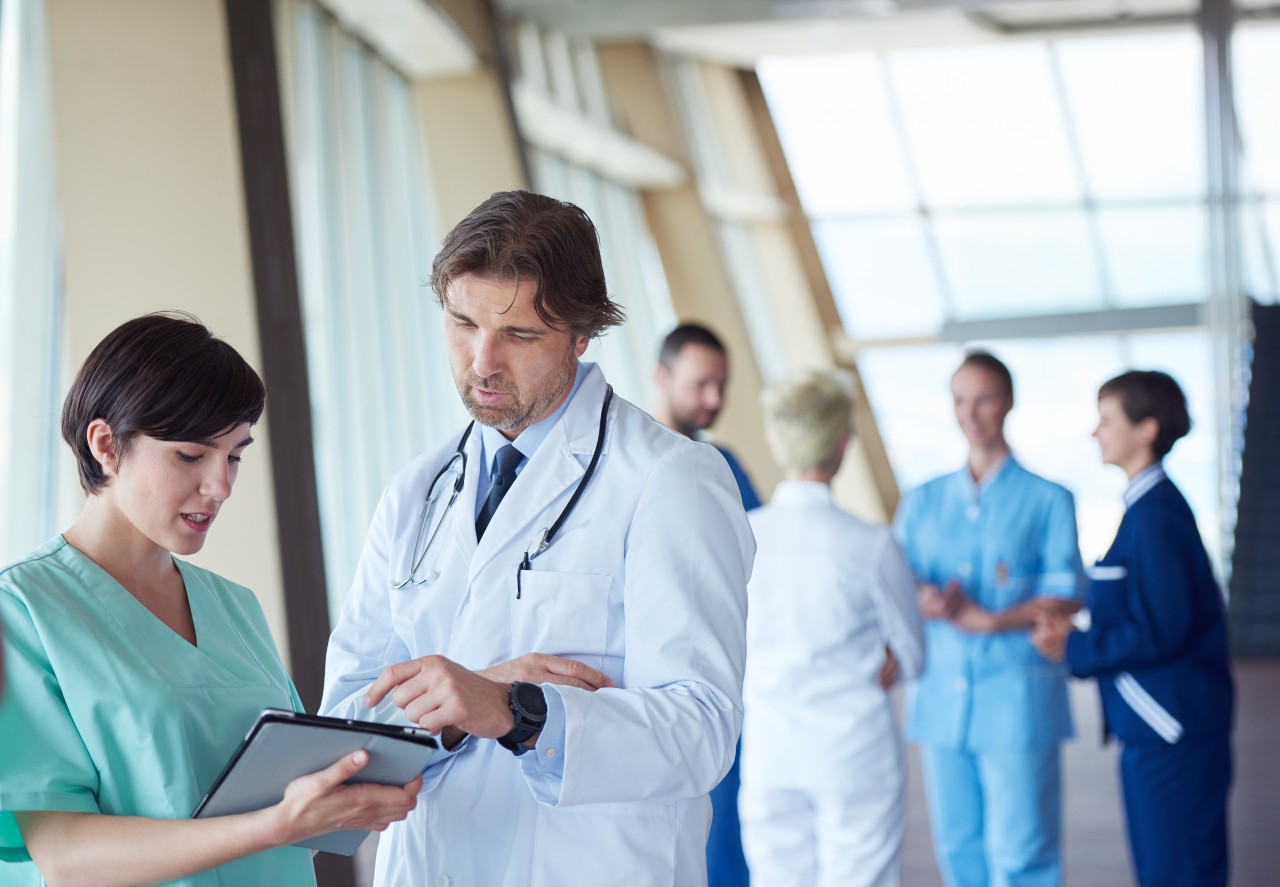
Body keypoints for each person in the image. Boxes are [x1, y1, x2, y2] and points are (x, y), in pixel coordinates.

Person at [321, 190, 755, 887]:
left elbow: (701, 730)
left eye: (519, 335)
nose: (482, 361)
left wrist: (520, 713)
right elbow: (345, 719)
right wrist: (463, 706)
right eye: (461, 322)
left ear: (582, 335)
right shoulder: (416, 493)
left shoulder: (671, 480)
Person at [0, 313, 419, 887]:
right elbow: (64, 857)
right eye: (192, 455)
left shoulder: (234, 608)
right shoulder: (22, 612)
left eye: (235, 455)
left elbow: (291, 802)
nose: (220, 486)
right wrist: (272, 826)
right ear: (105, 445)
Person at [1032, 370, 1233, 887]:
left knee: (1177, 871)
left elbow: (1162, 630)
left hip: (1171, 733)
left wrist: (1074, 645)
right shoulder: (1147, 511)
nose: (1094, 433)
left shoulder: (1155, 518)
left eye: (1106, 420)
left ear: (1146, 430)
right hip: (1158, 731)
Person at [893, 351, 1084, 887]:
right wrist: (922, 598)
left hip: (1016, 703)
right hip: (940, 705)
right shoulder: (923, 500)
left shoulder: (1049, 499)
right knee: (959, 849)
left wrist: (993, 621)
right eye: (959, 400)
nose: (970, 413)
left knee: (1022, 852)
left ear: (1009, 403)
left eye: (984, 399)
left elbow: (1066, 592)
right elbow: (894, 579)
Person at [740, 369, 924, 887]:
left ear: (777, 443)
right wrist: (889, 656)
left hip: (771, 752)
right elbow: (913, 653)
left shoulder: (744, 536)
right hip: (854, 753)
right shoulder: (872, 543)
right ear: (843, 446)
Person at [653, 322, 758, 885]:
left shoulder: (727, 467)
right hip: (647, 689)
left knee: (724, 839)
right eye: (700, 385)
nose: (714, 400)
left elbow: (767, 567)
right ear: (661, 377)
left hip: (720, 682)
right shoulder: (625, 469)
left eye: (722, 385)